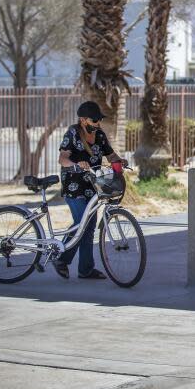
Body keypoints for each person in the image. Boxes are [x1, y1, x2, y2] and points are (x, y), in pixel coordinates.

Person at [53, 101, 124, 280]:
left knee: (90, 226)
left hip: (94, 184)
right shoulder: (72, 133)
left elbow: (111, 154)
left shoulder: (99, 135)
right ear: (83, 120)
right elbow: (63, 159)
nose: (97, 124)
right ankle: (61, 258)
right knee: (81, 223)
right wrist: (76, 165)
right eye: (94, 120)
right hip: (74, 185)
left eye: (99, 120)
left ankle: (85, 269)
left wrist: (120, 161)